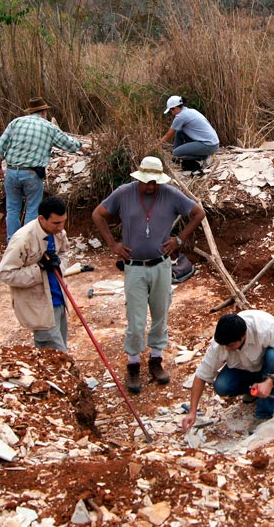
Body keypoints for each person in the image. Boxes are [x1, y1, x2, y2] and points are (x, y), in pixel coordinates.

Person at [91, 156, 205, 393]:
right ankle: (133, 364)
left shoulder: (170, 194)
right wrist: (113, 244)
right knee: (136, 319)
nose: (151, 187)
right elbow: (98, 214)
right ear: (139, 178)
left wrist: (179, 239)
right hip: (134, 267)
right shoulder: (124, 193)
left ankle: (156, 359)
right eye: (147, 182)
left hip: (162, 265)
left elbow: (198, 213)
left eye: (155, 182)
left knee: (161, 313)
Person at [182, 311, 274, 434]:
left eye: (231, 345)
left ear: (244, 335)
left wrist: (271, 381)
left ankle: (264, 414)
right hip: (244, 368)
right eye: (225, 345)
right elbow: (201, 376)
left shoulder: (267, 328)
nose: (227, 349)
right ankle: (252, 390)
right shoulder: (220, 344)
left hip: (268, 367)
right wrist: (192, 412)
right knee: (222, 386)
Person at [0, 97, 84, 242]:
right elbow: (68, 143)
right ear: (44, 112)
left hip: (11, 171)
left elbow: (1, 145)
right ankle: (27, 242)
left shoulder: (16, 122)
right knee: (32, 209)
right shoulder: (48, 126)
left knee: (12, 210)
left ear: (30, 111)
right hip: (32, 173)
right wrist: (83, 148)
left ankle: (12, 242)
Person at [0, 196, 70, 352]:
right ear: (42, 219)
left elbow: (64, 253)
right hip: (39, 307)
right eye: (56, 223)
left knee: (62, 353)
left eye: (63, 221)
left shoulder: (58, 232)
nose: (61, 227)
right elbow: (6, 273)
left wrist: (59, 265)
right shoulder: (23, 239)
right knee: (55, 359)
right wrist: (40, 267)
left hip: (58, 301)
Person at [156, 95, 219, 172]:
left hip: (209, 145)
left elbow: (168, 135)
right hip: (213, 142)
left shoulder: (180, 116)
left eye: (171, 111)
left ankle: (205, 157)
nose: (171, 113)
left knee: (176, 153)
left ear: (175, 108)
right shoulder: (190, 111)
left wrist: (157, 146)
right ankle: (177, 157)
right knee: (180, 132)